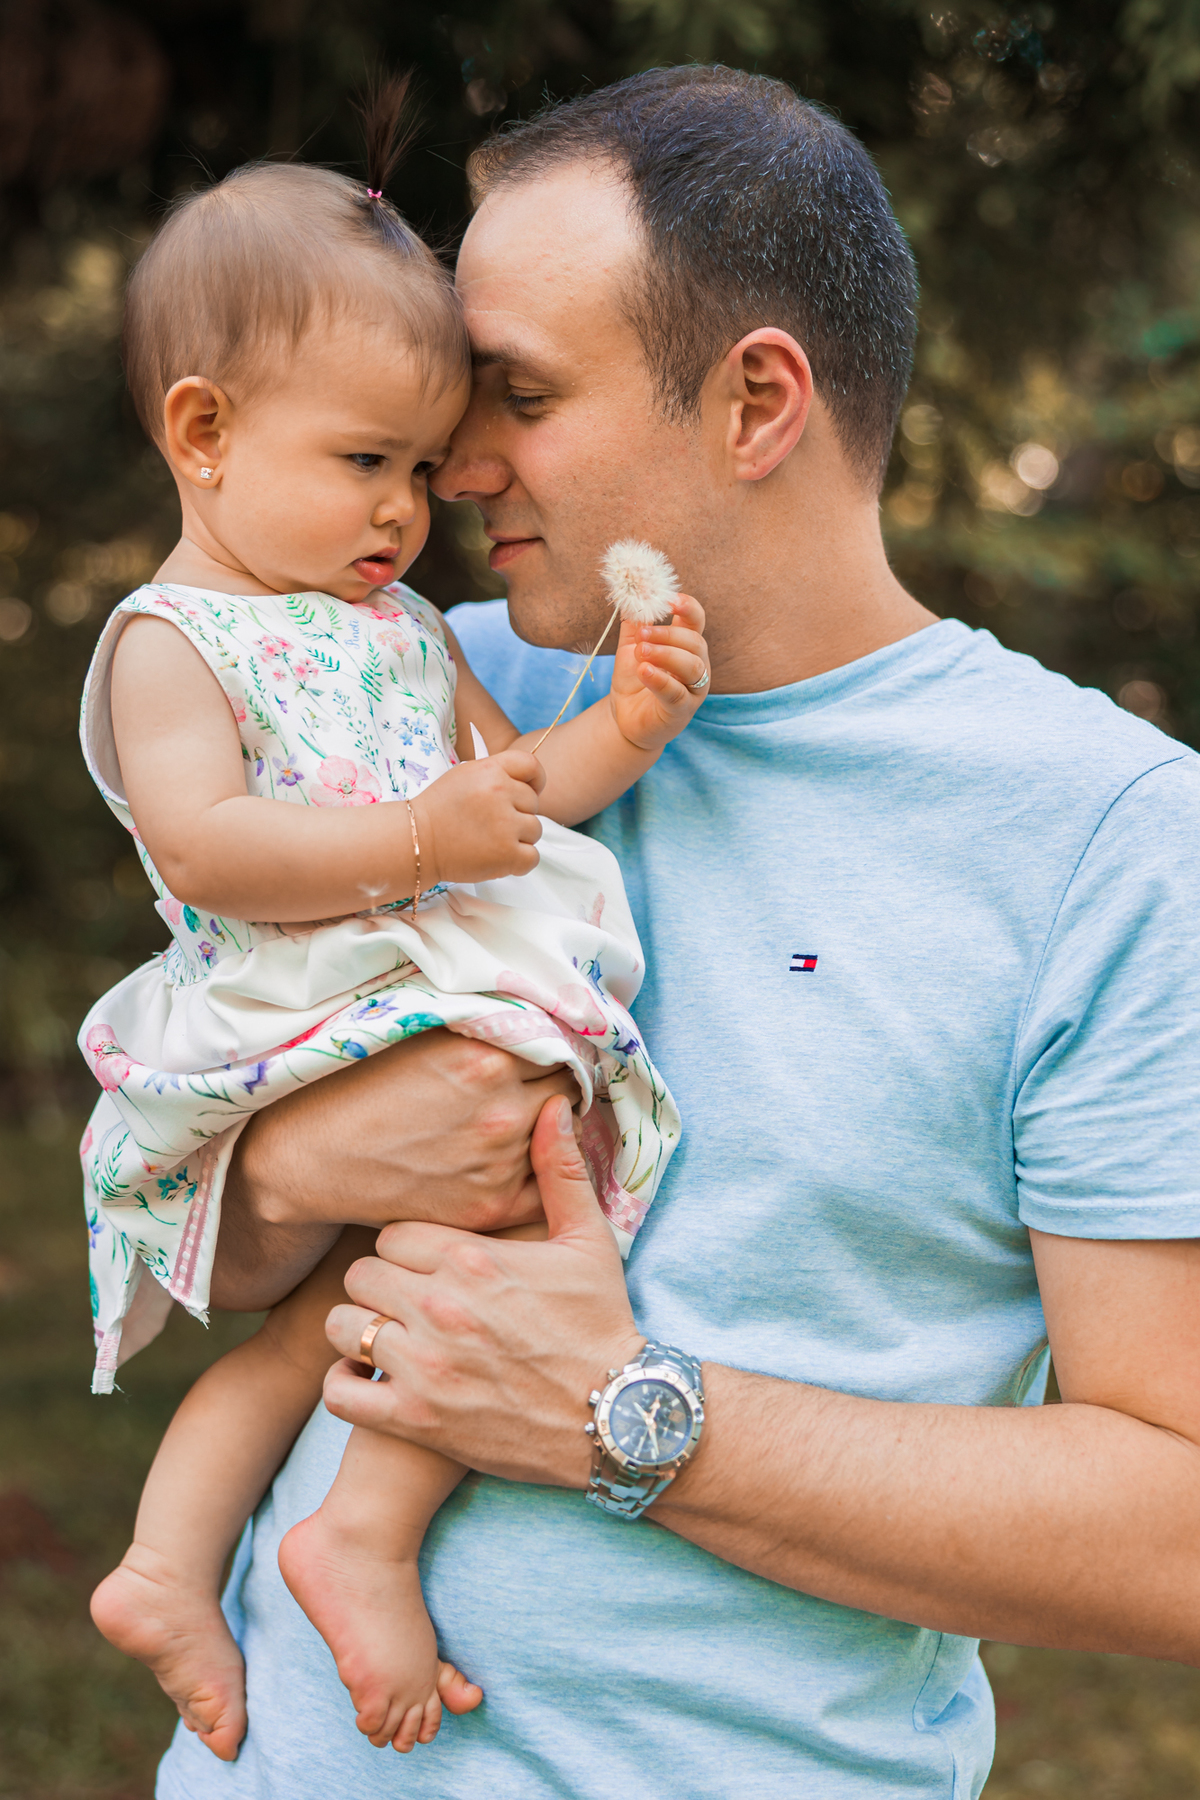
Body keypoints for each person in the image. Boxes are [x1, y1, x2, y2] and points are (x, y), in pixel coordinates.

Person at [156, 65, 1200, 1800]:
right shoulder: (437, 702)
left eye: (520, 395)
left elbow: (1178, 1532)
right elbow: (198, 1235)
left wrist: (630, 1409)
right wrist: (290, 1167)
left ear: (757, 401)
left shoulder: (1111, 839)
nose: (452, 463)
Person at [79, 89, 711, 1767]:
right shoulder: (175, 638)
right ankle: (353, 1537)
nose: (407, 513)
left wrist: (628, 728)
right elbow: (207, 848)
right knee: (503, 1196)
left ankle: (167, 1561)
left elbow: (519, 791)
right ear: (203, 434)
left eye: (423, 470)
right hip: (299, 993)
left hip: (417, 970)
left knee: (347, 1318)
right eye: (365, 462)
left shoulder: (406, 628)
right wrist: (418, 838)